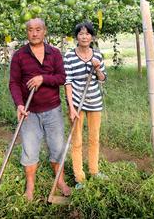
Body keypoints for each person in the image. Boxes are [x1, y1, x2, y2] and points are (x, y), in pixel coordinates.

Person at [9, 17, 72, 201]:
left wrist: (43, 78)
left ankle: (59, 180)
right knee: (29, 149)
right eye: (30, 29)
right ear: (26, 32)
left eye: (38, 29)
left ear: (45, 31)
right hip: (29, 112)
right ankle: (30, 186)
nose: (34, 33)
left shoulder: (54, 53)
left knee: (57, 147)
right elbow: (13, 83)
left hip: (53, 109)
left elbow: (61, 78)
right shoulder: (20, 55)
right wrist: (19, 104)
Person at [64, 21, 107, 188]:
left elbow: (103, 79)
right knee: (77, 140)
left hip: (94, 102)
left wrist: (97, 68)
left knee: (94, 138)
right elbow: (67, 82)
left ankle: (94, 171)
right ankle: (79, 176)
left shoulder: (97, 55)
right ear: (76, 37)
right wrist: (71, 107)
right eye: (81, 34)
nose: (84, 36)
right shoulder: (69, 56)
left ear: (92, 36)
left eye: (87, 33)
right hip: (77, 103)